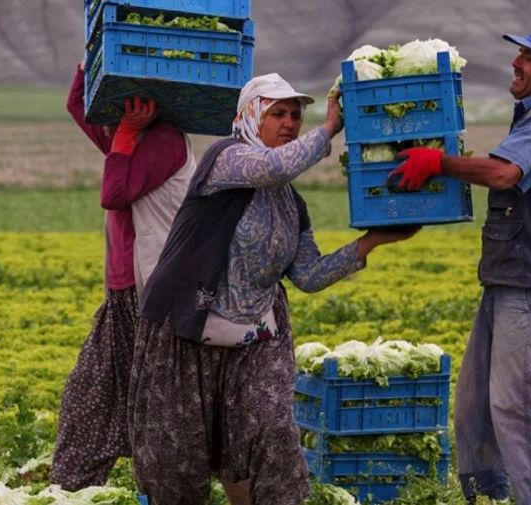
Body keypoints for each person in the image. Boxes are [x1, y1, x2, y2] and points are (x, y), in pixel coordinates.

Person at [127, 72, 418, 505]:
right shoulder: (225, 159)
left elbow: (308, 275)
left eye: (296, 116)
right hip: (187, 330)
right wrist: (331, 128)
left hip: (255, 336)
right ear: (249, 117)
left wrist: (372, 241)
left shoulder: (290, 203)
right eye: (278, 113)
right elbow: (273, 166)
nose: (289, 124)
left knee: (272, 428)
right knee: (178, 457)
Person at [390, 26, 531, 505]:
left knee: (518, 409)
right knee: (476, 407)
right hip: (508, 279)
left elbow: (504, 172)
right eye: (519, 53)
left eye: (530, 57)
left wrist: (439, 163)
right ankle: (491, 497)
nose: (517, 62)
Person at [50, 61, 196, 490]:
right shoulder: (130, 140)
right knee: (90, 393)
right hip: (123, 294)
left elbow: (113, 195)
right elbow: (77, 105)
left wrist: (128, 134)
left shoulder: (165, 140)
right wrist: (89, 57)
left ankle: (167, 489)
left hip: (151, 293)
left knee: (154, 401)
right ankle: (70, 490)